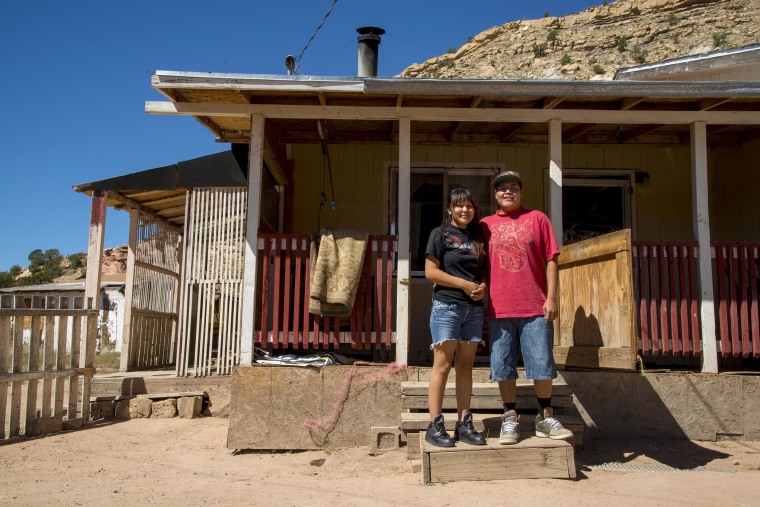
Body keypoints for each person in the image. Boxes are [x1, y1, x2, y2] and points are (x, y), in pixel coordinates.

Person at [480, 170, 573, 444]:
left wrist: (552, 297)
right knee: (503, 366)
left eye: (513, 188)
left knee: (542, 364)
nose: (507, 192)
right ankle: (510, 418)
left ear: (521, 192)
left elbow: (552, 259)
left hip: (535, 305)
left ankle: (545, 417)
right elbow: (476, 262)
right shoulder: (484, 225)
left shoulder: (538, 218)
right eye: (502, 188)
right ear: (495, 195)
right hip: (499, 307)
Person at [423, 187, 488, 447]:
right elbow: (430, 272)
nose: (465, 210)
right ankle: (435, 425)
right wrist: (463, 284)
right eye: (459, 206)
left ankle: (464, 424)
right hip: (447, 307)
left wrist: (482, 287)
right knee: (442, 366)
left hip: (473, 310)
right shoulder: (439, 234)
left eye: (469, 206)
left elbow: (482, 271)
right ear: (450, 209)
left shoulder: (477, 237)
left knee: (465, 367)